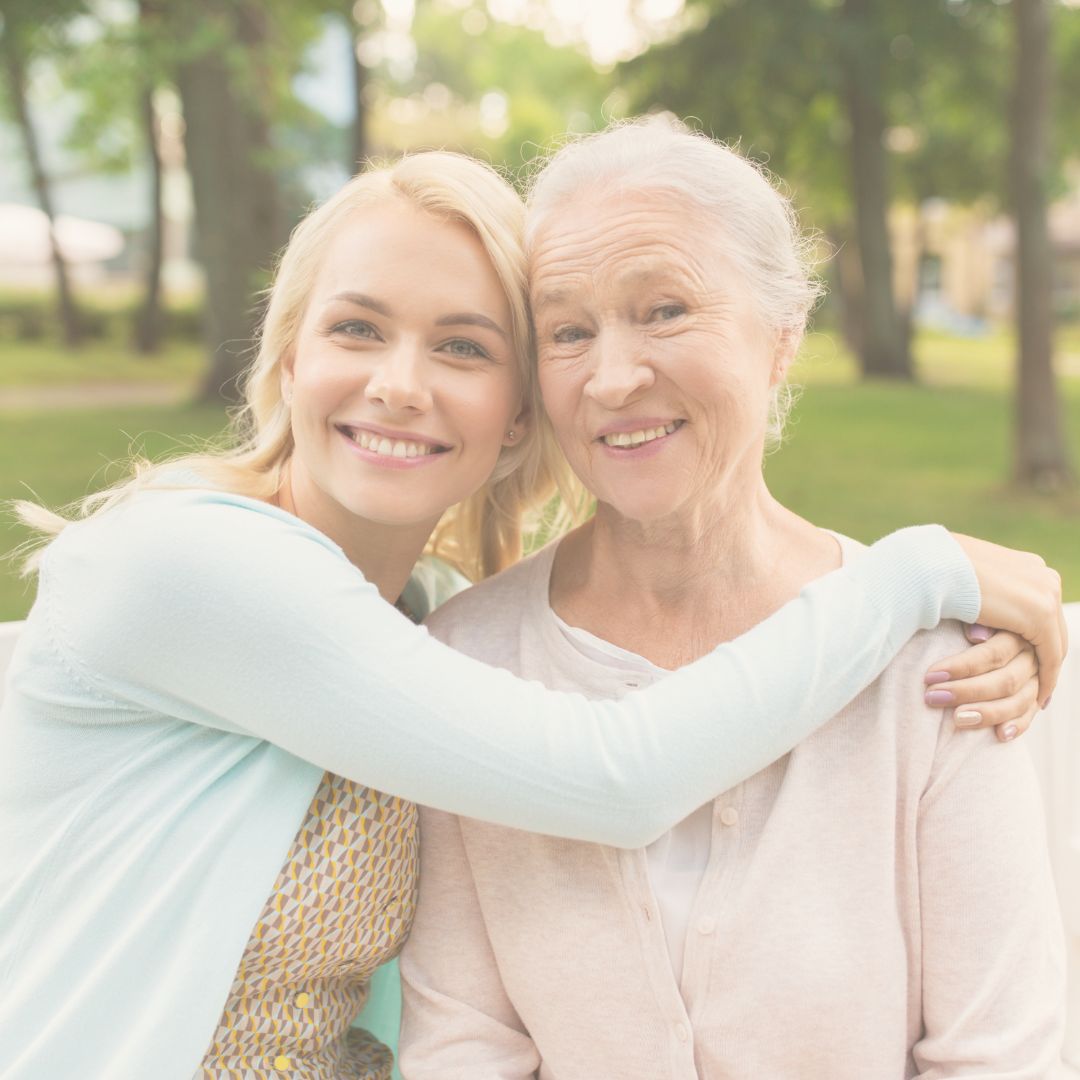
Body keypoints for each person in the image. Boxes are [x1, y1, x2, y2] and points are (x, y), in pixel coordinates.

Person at [0, 150, 1061, 1080]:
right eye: (357, 329)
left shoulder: (429, 628)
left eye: (463, 347)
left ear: (516, 419)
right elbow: (613, 778)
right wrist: (911, 571)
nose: (400, 386)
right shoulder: (189, 564)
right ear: (290, 360)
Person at [398, 119, 1067, 1078]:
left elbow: (1000, 1055)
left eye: (664, 311)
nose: (613, 377)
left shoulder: (944, 662)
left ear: (781, 337)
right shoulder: (470, 658)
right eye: (569, 332)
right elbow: (459, 1046)